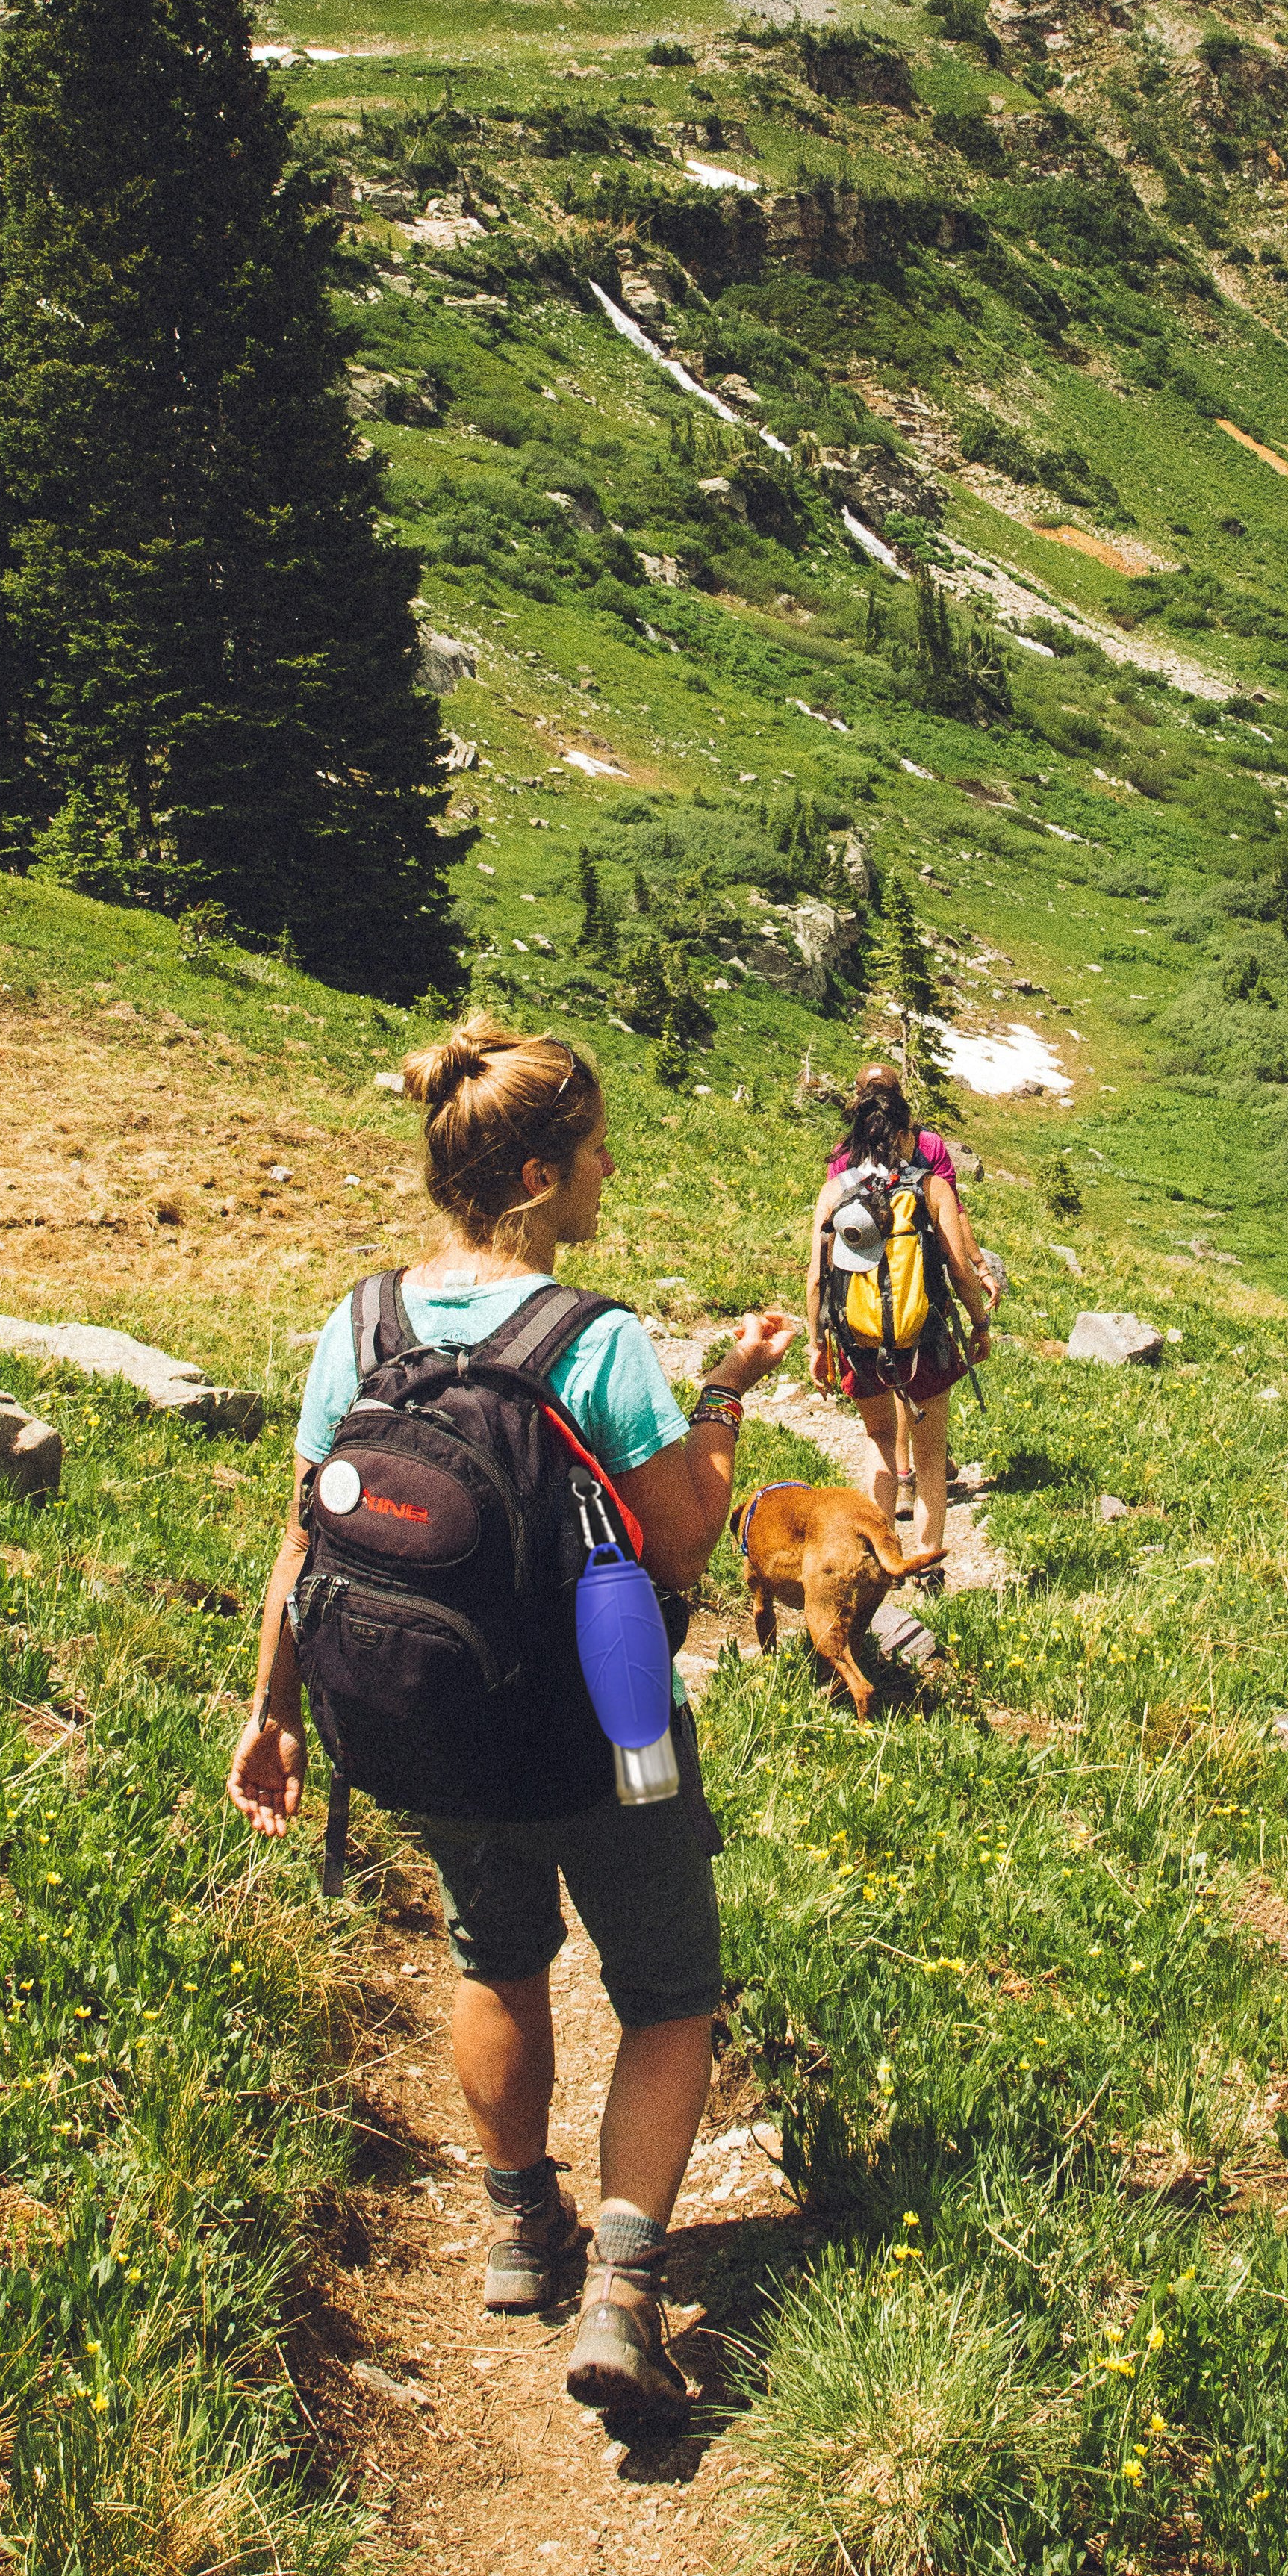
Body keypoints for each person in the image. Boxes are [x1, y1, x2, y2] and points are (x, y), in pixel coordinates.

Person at [228, 1018, 794, 2421]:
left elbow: (307, 1531)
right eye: (597, 1149)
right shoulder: (591, 1341)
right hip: (605, 1726)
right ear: (540, 1173)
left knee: (496, 1953)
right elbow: (678, 1544)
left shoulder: (359, 1322)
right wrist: (722, 1393)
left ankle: (513, 2220)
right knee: (667, 1995)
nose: (611, 1170)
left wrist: (271, 1711)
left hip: (426, 1718)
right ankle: (620, 2284)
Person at [806, 1063, 995, 1564]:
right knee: (931, 1458)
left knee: (880, 1441)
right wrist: (979, 1325)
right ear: (907, 1129)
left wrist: (816, 1346)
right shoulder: (931, 1187)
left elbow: (816, 1280)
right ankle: (928, 1564)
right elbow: (959, 1270)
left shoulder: (834, 1189)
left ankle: (878, 1558)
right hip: (924, 1334)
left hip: (857, 1338)